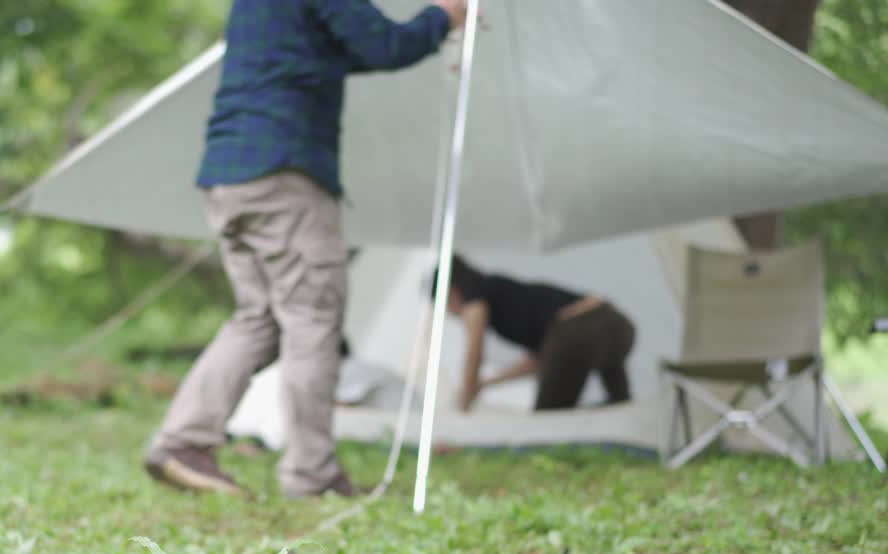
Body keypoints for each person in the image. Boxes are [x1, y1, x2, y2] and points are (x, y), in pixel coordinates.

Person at [144, 0, 473, 499]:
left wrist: (428, 32)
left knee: (261, 318)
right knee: (312, 320)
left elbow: (330, 54)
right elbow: (382, 45)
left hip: (230, 174)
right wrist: (443, 17)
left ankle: (183, 442)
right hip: (285, 173)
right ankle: (311, 473)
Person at [430, 254, 636, 412]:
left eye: (445, 306)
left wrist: (465, 399)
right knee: (619, 407)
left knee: (548, 422)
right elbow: (538, 362)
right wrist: (483, 384)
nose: (450, 314)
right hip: (617, 325)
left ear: (451, 292)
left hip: (579, 329)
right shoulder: (504, 295)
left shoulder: (475, 292)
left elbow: (474, 351)